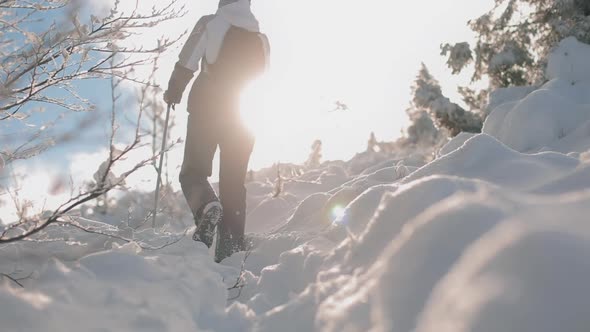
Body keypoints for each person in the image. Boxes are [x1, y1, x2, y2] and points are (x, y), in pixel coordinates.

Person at [164, 0, 270, 262]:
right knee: (234, 184)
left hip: (207, 108)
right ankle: (231, 253)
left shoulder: (210, 22)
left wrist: (174, 91)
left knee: (193, 172)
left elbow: (187, 61)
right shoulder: (261, 38)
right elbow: (263, 76)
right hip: (243, 114)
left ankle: (206, 206)